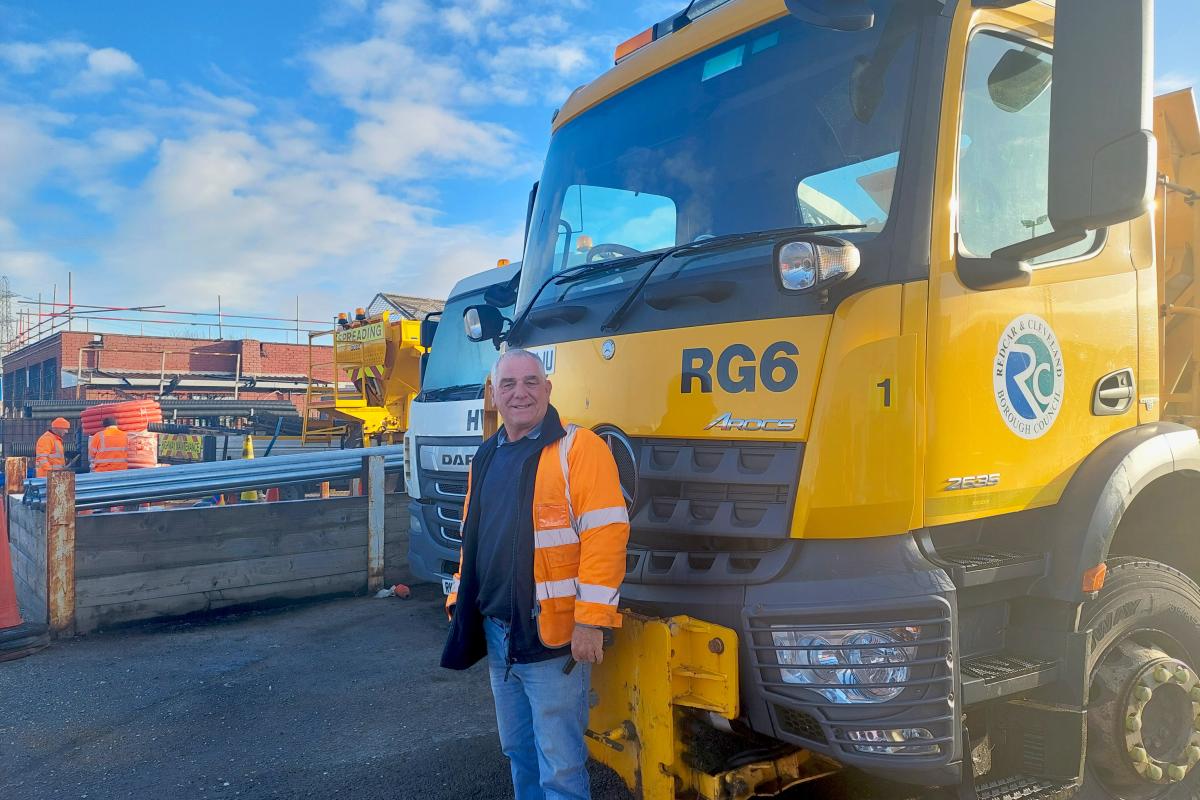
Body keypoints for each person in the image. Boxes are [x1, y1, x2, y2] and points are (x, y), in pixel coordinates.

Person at [441, 349, 629, 800]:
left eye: (530, 382)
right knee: (518, 750)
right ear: (494, 395)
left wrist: (591, 621)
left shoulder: (578, 449)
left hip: (553, 637)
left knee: (560, 767)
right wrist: (459, 601)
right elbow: (474, 537)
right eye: (508, 384)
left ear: (547, 390)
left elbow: (606, 536)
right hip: (499, 631)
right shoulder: (487, 455)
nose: (520, 392)